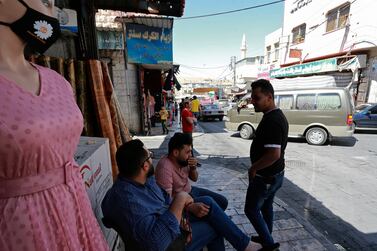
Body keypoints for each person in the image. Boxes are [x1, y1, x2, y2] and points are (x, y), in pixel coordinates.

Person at [0, 0, 109, 250]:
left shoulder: (57, 82)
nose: (52, 6)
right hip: (19, 224)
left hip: (74, 207)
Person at [101, 140, 255, 251]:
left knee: (208, 203)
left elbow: (167, 200)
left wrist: (187, 206)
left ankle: (245, 244)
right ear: (145, 166)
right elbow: (156, 243)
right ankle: (244, 245)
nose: (152, 158)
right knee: (215, 226)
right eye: (150, 156)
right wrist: (181, 199)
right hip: (168, 242)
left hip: (170, 217)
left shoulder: (145, 179)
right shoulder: (127, 200)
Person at [244, 79, 289, 251]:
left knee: (251, 210)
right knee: (267, 206)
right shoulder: (272, 116)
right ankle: (266, 236)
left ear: (269, 97)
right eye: (252, 97)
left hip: (266, 177)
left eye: (257, 98)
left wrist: (254, 168)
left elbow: (273, 154)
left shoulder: (273, 120)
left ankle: (269, 245)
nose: (253, 102)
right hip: (274, 175)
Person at [155, 133, 228, 210]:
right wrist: (189, 207)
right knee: (209, 203)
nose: (190, 155)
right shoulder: (164, 167)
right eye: (187, 152)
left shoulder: (183, 160)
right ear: (176, 153)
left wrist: (193, 168)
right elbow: (167, 202)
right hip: (179, 201)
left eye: (191, 151)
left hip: (190, 190)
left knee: (222, 201)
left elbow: (194, 179)